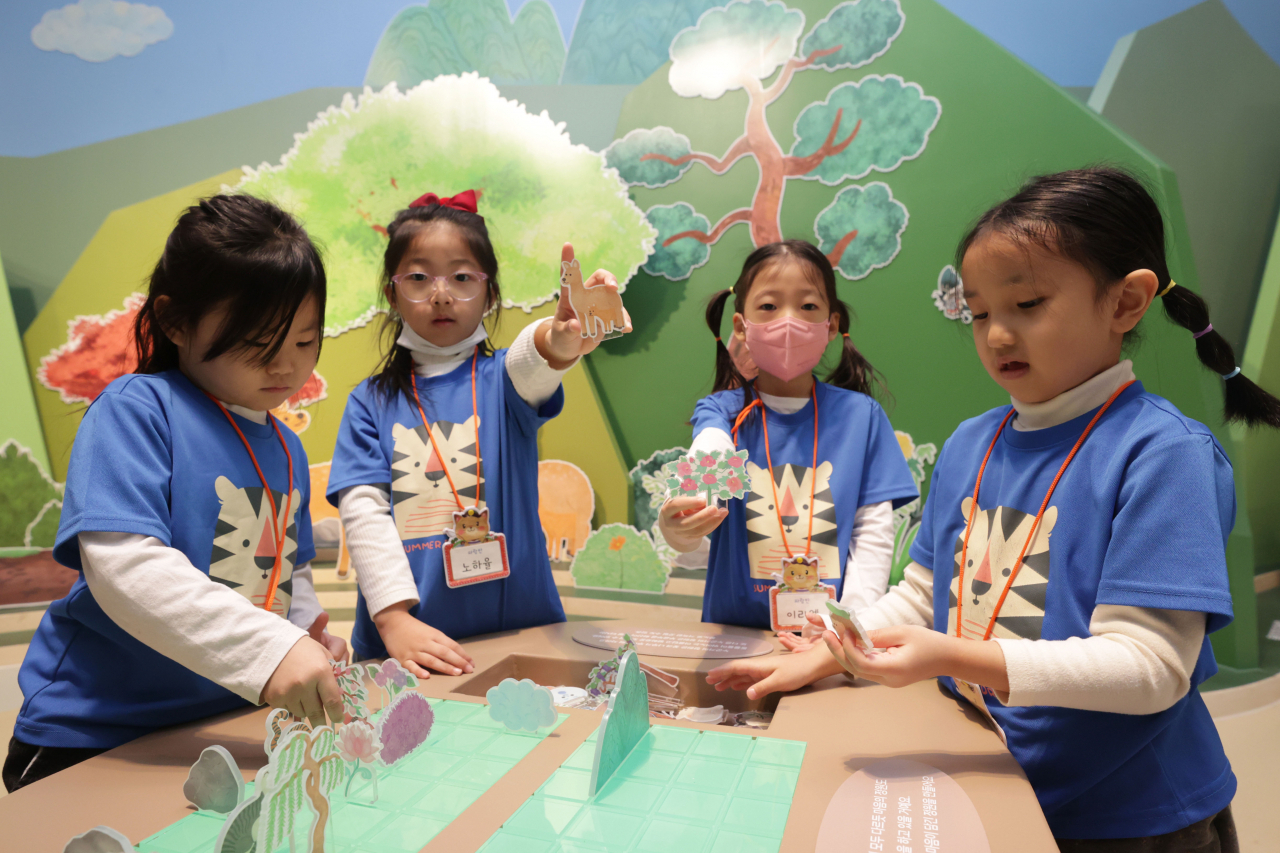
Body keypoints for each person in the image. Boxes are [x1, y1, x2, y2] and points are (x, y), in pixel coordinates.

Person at [709, 168, 1280, 850]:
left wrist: (953, 655)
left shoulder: (1163, 454)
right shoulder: (970, 441)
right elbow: (923, 594)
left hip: (1133, 818)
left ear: (1126, 302)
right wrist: (836, 648)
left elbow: (1151, 666)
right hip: (999, 777)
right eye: (979, 312)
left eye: (1029, 303)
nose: (998, 335)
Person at [6, 195, 347, 792]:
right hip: (96, 735)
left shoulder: (288, 450)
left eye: (305, 341)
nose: (287, 367)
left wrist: (305, 632)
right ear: (176, 321)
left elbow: (287, 571)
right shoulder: (136, 411)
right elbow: (126, 566)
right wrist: (271, 651)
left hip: (217, 726)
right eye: (260, 342)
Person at [329, 190, 629, 678]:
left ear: (489, 294)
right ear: (393, 293)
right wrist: (393, 619)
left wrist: (560, 338)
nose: (441, 293)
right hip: (408, 644)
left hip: (520, 633)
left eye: (462, 277)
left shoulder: (502, 379)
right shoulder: (370, 401)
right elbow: (363, 511)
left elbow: (536, 358)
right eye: (420, 277)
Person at [658, 240, 918, 631]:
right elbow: (704, 470)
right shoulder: (721, 413)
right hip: (735, 637)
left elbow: (873, 533)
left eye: (808, 306)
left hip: (828, 639)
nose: (788, 320)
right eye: (768, 306)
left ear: (831, 326)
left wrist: (851, 625)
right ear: (742, 328)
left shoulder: (861, 416)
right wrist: (678, 529)